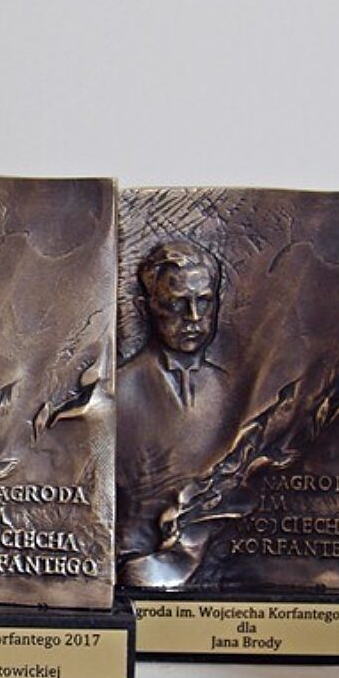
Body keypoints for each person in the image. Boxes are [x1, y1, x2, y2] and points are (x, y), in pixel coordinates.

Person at [115, 241, 233, 563]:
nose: (193, 317)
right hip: (136, 556)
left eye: (204, 302)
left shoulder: (232, 388)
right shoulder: (119, 390)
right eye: (177, 303)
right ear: (146, 308)